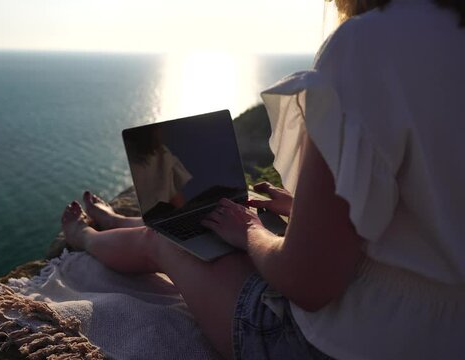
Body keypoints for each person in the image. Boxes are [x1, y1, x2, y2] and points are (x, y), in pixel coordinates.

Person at [61, 0, 465, 358]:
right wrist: (301, 210)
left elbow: (306, 283)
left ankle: (86, 238)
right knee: (215, 224)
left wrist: (252, 231)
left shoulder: (371, 41)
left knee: (164, 239)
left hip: (340, 342)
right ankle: (119, 221)